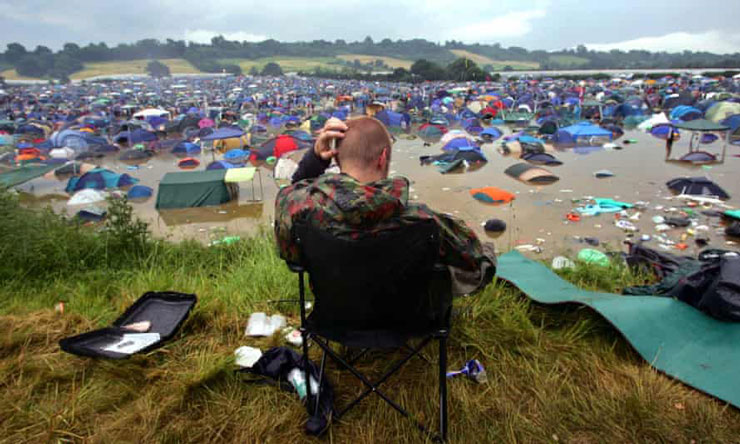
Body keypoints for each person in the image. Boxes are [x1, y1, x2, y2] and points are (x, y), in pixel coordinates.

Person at [274, 116, 496, 296]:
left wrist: (315, 159)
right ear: (383, 158)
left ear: (335, 158)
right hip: (407, 321)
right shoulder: (423, 220)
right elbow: (474, 258)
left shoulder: (299, 207)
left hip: (334, 319)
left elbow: (294, 191)